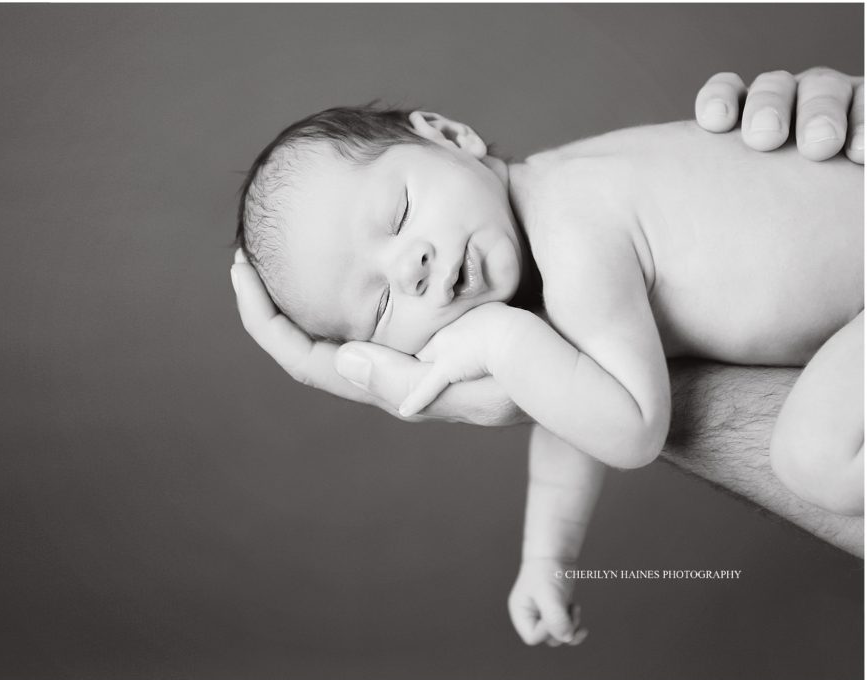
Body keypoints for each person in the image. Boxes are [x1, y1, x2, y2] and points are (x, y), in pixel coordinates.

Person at [229, 68, 865, 646]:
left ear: (452, 136)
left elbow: (632, 426)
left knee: (812, 458)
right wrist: (547, 557)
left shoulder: (570, 227)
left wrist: (502, 342)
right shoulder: (551, 212)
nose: (410, 268)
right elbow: (572, 401)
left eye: (399, 212)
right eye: (381, 308)